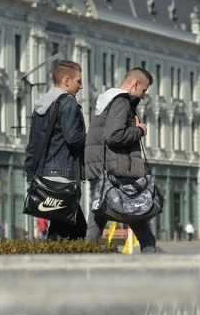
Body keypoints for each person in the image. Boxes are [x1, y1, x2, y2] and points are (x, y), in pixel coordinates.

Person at [84, 67, 158, 252]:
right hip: (117, 177)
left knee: (93, 233)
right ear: (136, 84)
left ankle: (82, 264)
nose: (143, 96)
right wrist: (139, 130)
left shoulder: (106, 102)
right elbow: (114, 135)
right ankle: (152, 271)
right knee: (147, 239)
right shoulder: (121, 102)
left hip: (102, 174)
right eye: (144, 91)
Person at [24, 60, 87, 240]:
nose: (81, 86)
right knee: (59, 233)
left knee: (78, 228)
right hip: (63, 176)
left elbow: (32, 145)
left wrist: (31, 175)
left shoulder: (41, 106)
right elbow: (74, 138)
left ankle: (70, 259)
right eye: (78, 81)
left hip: (44, 175)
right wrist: (96, 137)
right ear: (67, 80)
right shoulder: (68, 102)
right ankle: (50, 259)